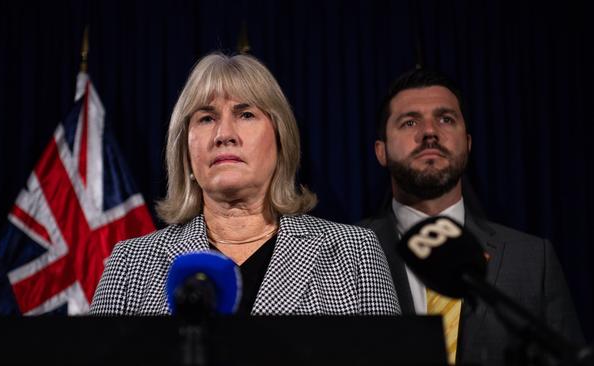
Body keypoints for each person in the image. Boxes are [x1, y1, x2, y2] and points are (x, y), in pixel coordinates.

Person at [90, 52, 401, 316]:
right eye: (206, 118)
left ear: (281, 139)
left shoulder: (353, 253)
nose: (225, 134)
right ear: (185, 150)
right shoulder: (131, 264)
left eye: (246, 114)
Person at [358, 68, 585, 365]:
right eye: (410, 121)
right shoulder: (343, 252)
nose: (429, 132)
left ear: (467, 143)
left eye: (445, 119)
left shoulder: (532, 259)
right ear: (381, 151)